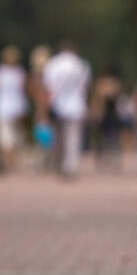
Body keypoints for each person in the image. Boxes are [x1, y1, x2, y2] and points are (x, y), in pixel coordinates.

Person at [43, 40, 91, 178]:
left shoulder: (53, 64)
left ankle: (59, 163)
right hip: (76, 105)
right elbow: (85, 87)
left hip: (57, 105)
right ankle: (71, 165)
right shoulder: (81, 64)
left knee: (58, 138)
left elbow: (48, 88)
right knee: (73, 138)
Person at [0, 46, 28, 172]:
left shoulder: (0, 72)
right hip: (13, 107)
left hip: (4, 108)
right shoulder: (19, 72)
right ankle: (11, 162)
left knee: (7, 137)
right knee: (11, 137)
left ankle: (10, 162)